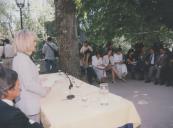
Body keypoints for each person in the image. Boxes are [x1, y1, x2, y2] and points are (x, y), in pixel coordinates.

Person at [12, 30, 50, 123]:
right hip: (29, 105)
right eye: (33, 41)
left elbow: (27, 78)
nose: (35, 43)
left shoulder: (21, 57)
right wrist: (44, 91)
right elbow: (29, 84)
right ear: (26, 43)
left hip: (28, 103)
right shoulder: (22, 59)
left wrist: (39, 80)